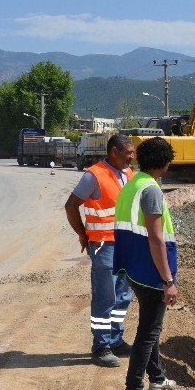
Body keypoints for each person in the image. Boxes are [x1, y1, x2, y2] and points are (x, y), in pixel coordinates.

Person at [114, 137, 178, 390]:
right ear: (164, 164)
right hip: (150, 271)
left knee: (151, 326)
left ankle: (157, 377)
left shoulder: (132, 183)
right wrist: (168, 280)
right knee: (149, 331)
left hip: (133, 266)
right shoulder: (151, 190)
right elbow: (155, 238)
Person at [64, 134, 135, 367]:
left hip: (126, 244)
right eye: (127, 152)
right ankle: (101, 346)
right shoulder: (93, 175)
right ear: (114, 151)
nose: (131, 156)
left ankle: (115, 339)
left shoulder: (128, 173)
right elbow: (71, 205)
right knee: (106, 296)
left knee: (123, 296)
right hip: (105, 245)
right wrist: (83, 235)